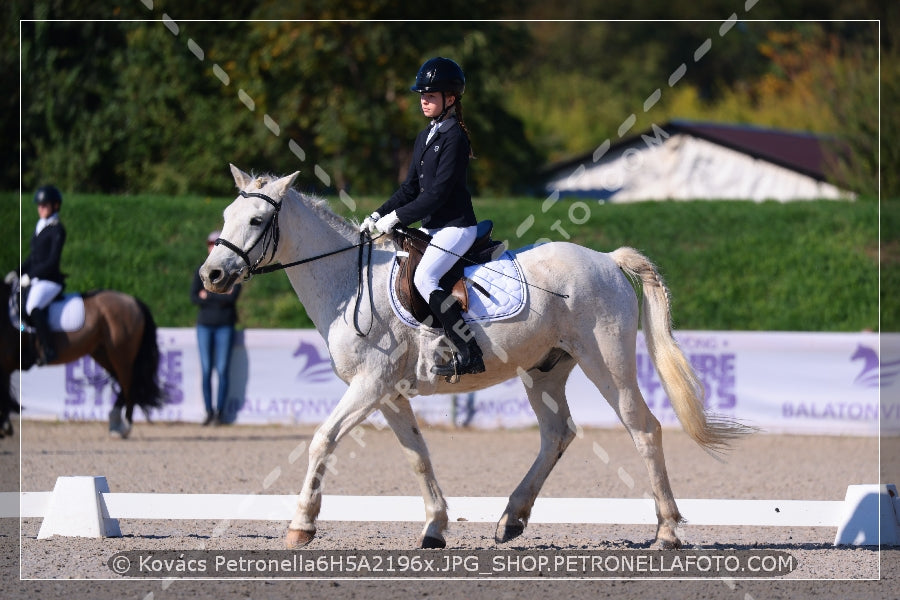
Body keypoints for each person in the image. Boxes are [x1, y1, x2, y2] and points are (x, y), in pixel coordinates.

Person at [360, 56, 484, 378]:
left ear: (450, 99)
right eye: (422, 95)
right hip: (432, 227)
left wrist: (397, 218)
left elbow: (435, 195)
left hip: (456, 227)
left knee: (424, 278)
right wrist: (378, 213)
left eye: (430, 95)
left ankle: (470, 351)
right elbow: (411, 188)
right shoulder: (425, 136)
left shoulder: (455, 137)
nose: (423, 100)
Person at [191, 231, 242, 425]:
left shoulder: (233, 273)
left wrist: (208, 296)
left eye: (216, 242)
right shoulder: (202, 270)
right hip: (205, 325)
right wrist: (219, 295)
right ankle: (208, 412)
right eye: (210, 242)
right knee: (206, 370)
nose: (212, 245)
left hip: (225, 326)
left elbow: (231, 298)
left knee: (222, 370)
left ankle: (220, 413)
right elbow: (194, 297)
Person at [19, 185, 67, 365]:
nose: (40, 208)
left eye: (44, 205)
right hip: (36, 278)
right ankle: (27, 340)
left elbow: (51, 261)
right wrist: (16, 273)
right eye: (39, 205)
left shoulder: (57, 229)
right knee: (19, 308)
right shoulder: (40, 227)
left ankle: (49, 349)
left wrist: (30, 277)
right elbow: (33, 258)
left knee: (33, 306)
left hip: (50, 280)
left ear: (55, 206)